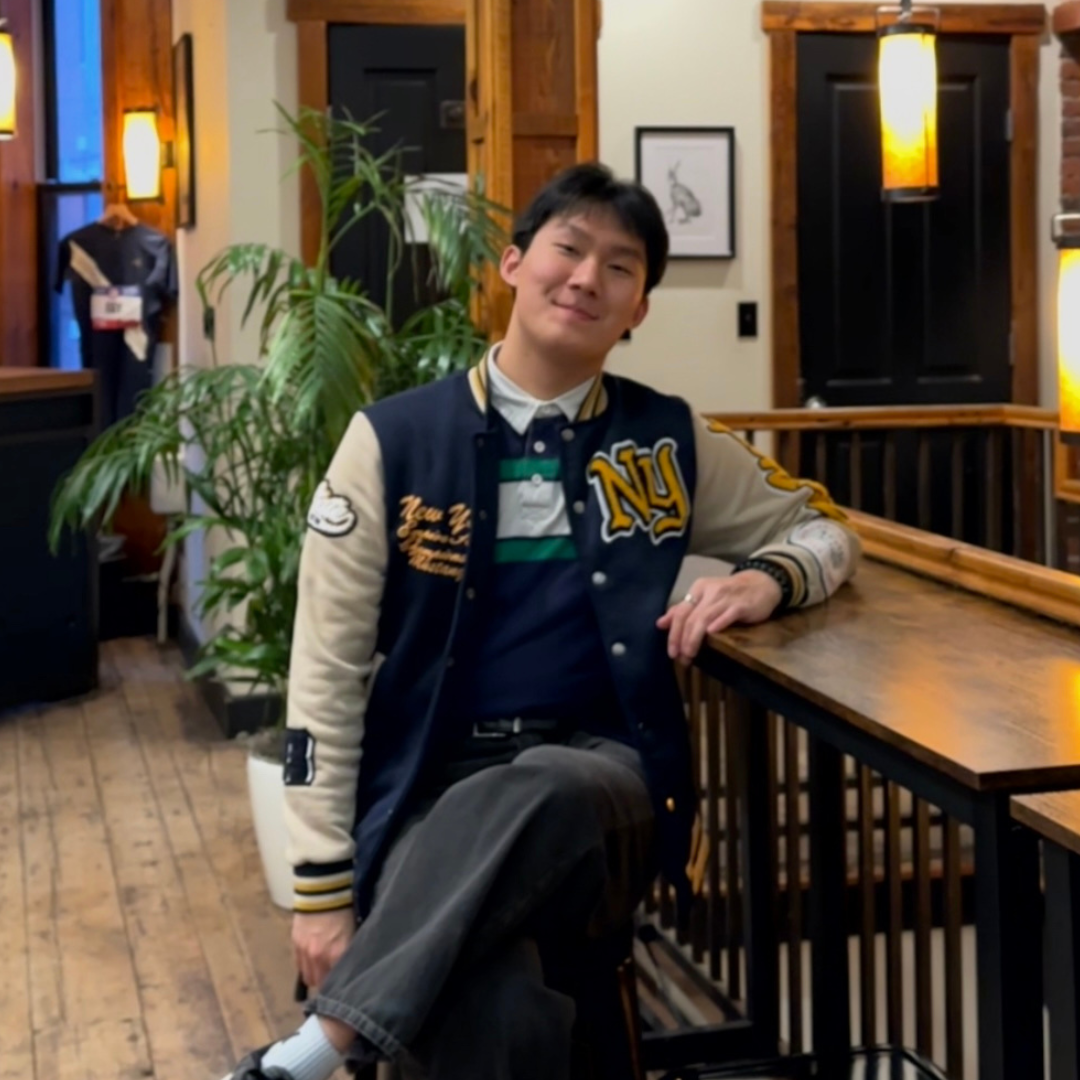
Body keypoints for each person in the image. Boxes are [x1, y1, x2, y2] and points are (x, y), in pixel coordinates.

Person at [223, 163, 860, 1080]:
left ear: (637, 308)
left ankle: (329, 1042)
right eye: (568, 248)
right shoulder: (392, 442)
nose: (587, 278)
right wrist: (319, 895)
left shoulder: (667, 441)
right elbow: (323, 671)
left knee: (545, 784)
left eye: (620, 267)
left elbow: (826, 528)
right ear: (514, 265)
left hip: (604, 785)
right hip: (430, 791)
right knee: (500, 1008)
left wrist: (767, 581)